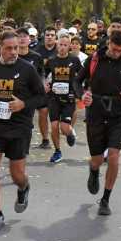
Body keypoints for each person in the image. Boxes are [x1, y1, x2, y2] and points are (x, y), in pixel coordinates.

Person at [0, 30, 46, 229]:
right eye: (9, 48)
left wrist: (23, 104)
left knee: (17, 174)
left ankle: (24, 187)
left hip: (20, 126)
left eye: (16, 48)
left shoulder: (27, 69)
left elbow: (41, 97)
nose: (14, 52)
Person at [75, 29, 121, 216]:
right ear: (108, 42)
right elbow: (77, 81)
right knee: (96, 160)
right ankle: (93, 171)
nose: (117, 53)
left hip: (118, 114)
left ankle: (105, 199)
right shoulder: (94, 58)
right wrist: (82, 94)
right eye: (114, 48)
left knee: (113, 155)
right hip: (95, 112)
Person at [44, 34, 83, 163]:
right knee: (54, 126)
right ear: (57, 44)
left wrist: (79, 92)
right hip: (54, 98)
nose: (62, 47)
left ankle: (70, 134)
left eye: (65, 45)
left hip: (69, 99)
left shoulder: (74, 60)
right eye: (60, 44)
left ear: (69, 46)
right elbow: (45, 75)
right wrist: (46, 84)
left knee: (64, 128)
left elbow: (82, 75)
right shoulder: (51, 60)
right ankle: (57, 151)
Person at [16, 28, 50, 149]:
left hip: (34, 92)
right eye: (19, 36)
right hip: (19, 93)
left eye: (25, 36)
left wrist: (43, 83)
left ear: (29, 39)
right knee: (23, 119)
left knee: (42, 113)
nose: (22, 39)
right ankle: (20, 141)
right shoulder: (13, 56)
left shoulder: (36, 56)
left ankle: (45, 139)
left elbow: (42, 73)